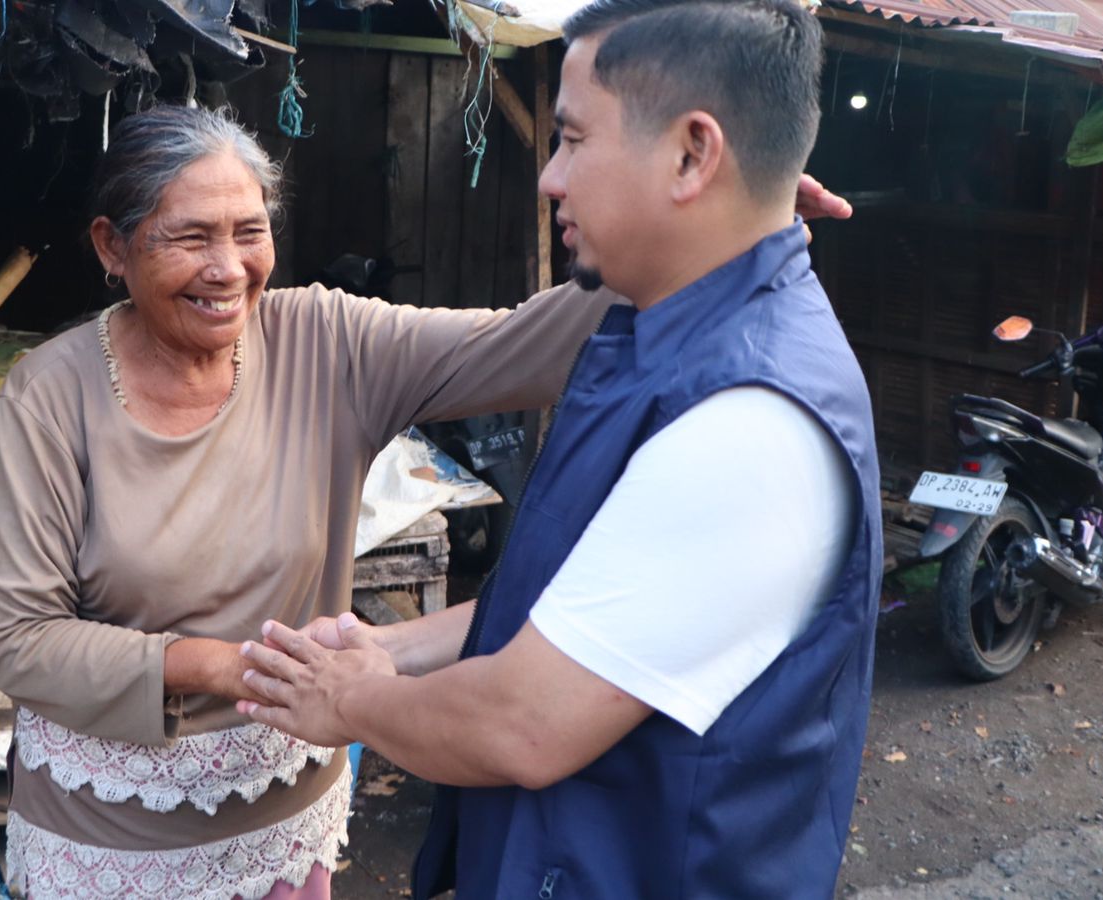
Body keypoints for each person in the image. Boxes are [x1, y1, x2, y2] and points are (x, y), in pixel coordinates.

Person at [0, 104, 849, 898]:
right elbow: (15, 639)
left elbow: (521, 347)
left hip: (281, 807)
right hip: (113, 828)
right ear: (112, 248)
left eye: (249, 231)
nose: (228, 268)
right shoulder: (53, 394)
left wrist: (710, 235)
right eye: (190, 238)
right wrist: (217, 667)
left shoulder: (324, 338)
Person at [236, 1, 881, 897]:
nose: (548, 178)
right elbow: (583, 610)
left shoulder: (749, 418)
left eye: (573, 139)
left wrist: (349, 700)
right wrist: (393, 652)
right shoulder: (655, 335)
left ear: (693, 154)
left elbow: (524, 722)